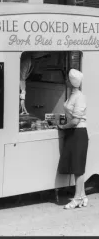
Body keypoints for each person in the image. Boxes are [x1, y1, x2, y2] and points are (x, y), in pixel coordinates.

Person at [57, 68, 89, 209]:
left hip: (78, 132)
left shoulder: (79, 97)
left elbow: (76, 120)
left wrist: (63, 127)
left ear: (71, 82)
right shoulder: (72, 95)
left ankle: (77, 198)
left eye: (67, 79)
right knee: (75, 165)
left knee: (78, 167)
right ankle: (82, 196)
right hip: (73, 133)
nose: (65, 81)